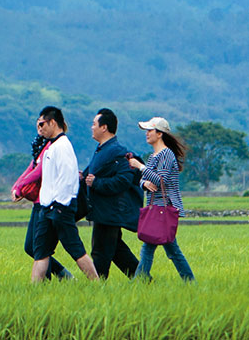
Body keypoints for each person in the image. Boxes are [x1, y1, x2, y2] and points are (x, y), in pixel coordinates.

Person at [30, 106, 100, 283]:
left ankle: (97, 284)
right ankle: (32, 290)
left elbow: (69, 179)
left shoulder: (63, 146)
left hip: (60, 208)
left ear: (53, 122)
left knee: (76, 250)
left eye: (42, 124)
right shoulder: (52, 147)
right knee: (40, 252)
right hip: (47, 209)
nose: (40, 129)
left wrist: (60, 205)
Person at [127, 116, 194, 282]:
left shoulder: (165, 154)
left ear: (160, 134)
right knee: (170, 250)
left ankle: (139, 282)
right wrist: (144, 183)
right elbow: (147, 180)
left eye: (150, 130)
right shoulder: (154, 155)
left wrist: (140, 166)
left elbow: (161, 180)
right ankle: (190, 282)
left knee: (150, 247)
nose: (147, 134)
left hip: (163, 207)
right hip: (157, 207)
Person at [83, 108, 141, 279]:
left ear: (104, 127)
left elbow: (124, 180)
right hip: (103, 211)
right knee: (116, 250)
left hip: (110, 212)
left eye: (94, 124)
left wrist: (96, 183)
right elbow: (94, 173)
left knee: (100, 251)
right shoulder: (102, 150)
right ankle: (144, 281)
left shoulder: (118, 151)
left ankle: (97, 284)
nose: (91, 127)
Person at [12, 131, 72, 280]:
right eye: (38, 124)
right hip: (38, 203)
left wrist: (21, 187)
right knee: (32, 247)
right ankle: (61, 276)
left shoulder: (54, 146)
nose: (40, 128)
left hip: (47, 202)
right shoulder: (42, 146)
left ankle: (58, 278)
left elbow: (39, 171)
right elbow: (31, 168)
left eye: (42, 124)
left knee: (39, 248)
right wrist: (16, 186)